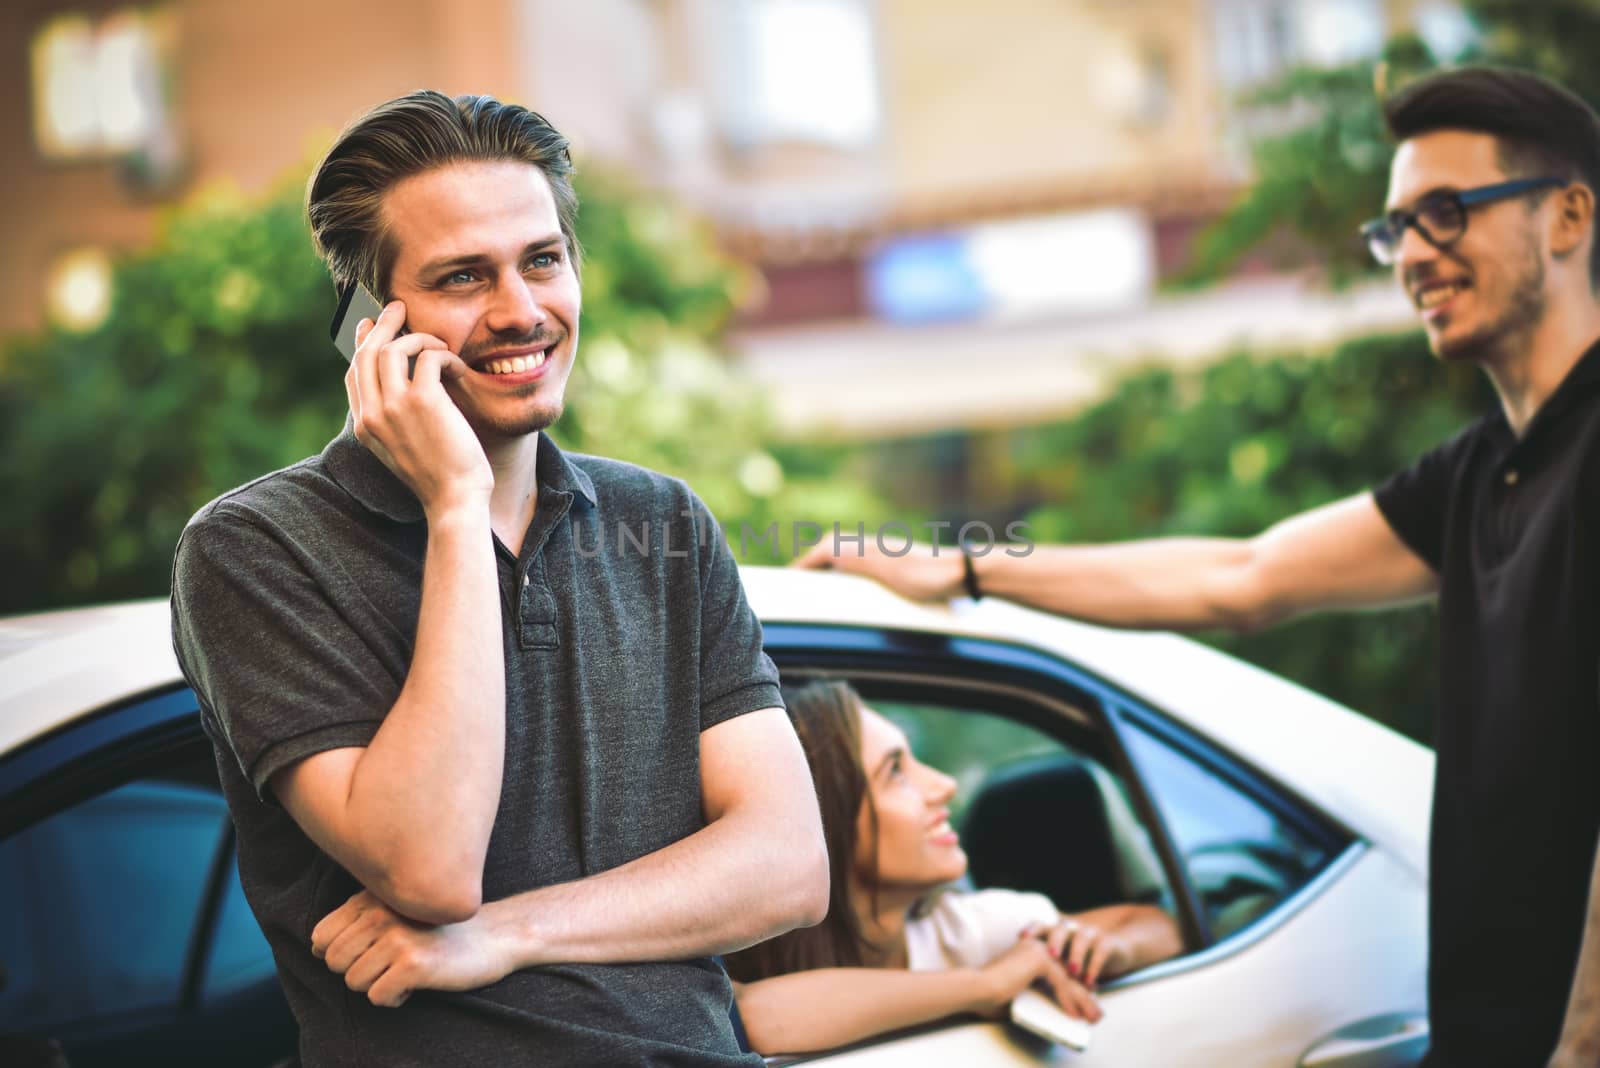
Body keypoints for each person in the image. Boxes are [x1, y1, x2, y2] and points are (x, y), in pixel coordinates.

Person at [801, 65, 1600, 1068]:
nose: (1415, 256)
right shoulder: (1481, 472)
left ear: (1567, 215)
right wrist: (961, 571)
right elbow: (1240, 574)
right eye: (1397, 229)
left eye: (1446, 213)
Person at [170, 91, 828, 1068]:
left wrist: (506, 935)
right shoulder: (255, 549)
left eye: (542, 261)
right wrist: (454, 507)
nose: (521, 311)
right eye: (463, 277)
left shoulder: (662, 521)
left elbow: (786, 869)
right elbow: (429, 869)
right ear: (367, 327)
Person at [723, 680, 1181, 1055]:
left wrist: (1112, 949)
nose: (944, 785)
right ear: (825, 820)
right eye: (895, 772)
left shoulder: (968, 931)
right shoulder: (735, 960)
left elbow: (1159, 927)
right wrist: (982, 987)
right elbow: (752, 1017)